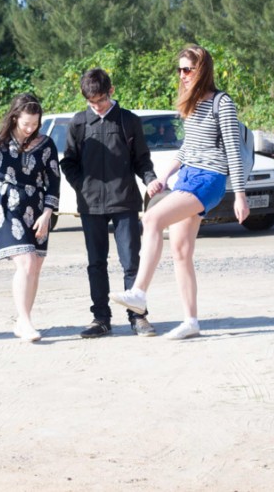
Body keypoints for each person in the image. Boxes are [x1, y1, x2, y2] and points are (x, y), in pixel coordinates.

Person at [110, 45, 249, 340]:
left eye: (188, 69)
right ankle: (191, 321)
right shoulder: (193, 103)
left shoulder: (222, 103)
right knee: (181, 252)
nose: (183, 74)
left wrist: (240, 194)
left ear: (203, 70)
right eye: (180, 69)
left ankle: (138, 292)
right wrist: (164, 176)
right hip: (187, 176)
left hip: (209, 179)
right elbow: (188, 147)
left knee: (152, 218)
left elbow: (234, 151)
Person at [60, 68, 159, 339]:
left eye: (101, 100)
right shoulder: (79, 123)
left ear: (111, 91)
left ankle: (138, 317)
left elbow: (142, 160)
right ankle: (101, 319)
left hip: (125, 202)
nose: (97, 106)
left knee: (131, 262)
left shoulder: (128, 121)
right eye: (91, 102)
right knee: (96, 263)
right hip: (90, 205)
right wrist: (83, 186)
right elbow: (68, 162)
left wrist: (150, 179)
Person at [0, 94, 60, 342]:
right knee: (25, 262)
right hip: (7, 207)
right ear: (15, 117)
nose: (30, 128)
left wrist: (47, 214)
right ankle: (25, 322)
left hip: (38, 208)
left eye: (35, 124)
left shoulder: (46, 144)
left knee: (35, 266)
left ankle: (22, 320)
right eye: (26, 123)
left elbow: (54, 181)